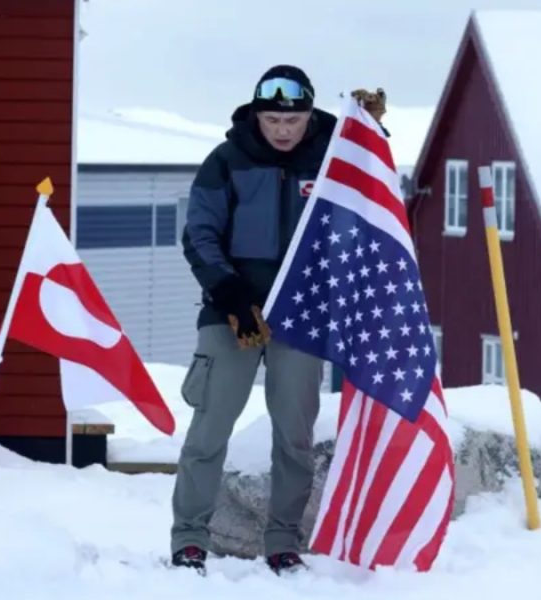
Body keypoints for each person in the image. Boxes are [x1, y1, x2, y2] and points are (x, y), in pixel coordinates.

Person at [171, 65, 386, 576]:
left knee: (294, 435)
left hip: (303, 314)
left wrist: (373, 133)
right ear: (256, 115)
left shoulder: (334, 159)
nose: (283, 130)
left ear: (309, 116)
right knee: (210, 429)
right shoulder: (226, 161)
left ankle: (283, 542)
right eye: (272, 119)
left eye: (293, 120)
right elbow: (199, 232)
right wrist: (228, 289)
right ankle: (189, 539)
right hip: (232, 311)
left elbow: (371, 196)